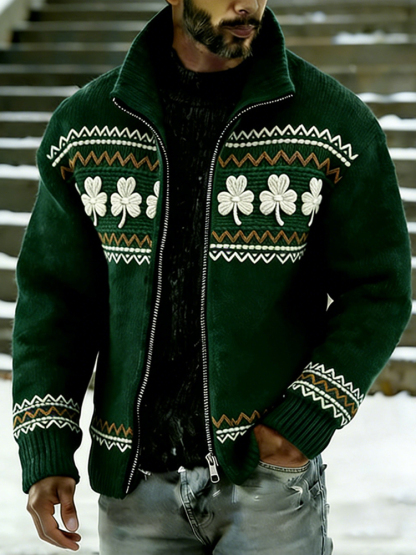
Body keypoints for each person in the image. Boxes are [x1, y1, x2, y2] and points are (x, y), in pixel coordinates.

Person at [12, 0, 411, 553]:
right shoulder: (83, 128)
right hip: (134, 487)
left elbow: (378, 289)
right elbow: (55, 301)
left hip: (265, 485)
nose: (246, 3)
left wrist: (305, 418)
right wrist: (46, 447)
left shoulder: (334, 125)